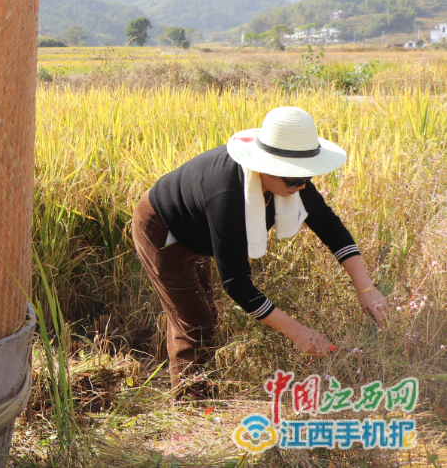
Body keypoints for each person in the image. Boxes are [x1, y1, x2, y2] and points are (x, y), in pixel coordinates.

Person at [132, 106, 387, 398]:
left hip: (202, 230)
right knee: (197, 321)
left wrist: (366, 288)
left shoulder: (292, 179)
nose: (301, 186)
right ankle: (190, 406)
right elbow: (237, 284)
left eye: (306, 178)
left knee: (203, 312)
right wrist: (297, 332)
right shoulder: (227, 197)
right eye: (292, 180)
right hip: (165, 231)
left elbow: (329, 226)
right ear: (264, 166)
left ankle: (195, 387)